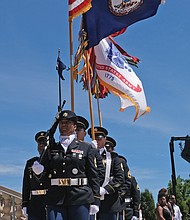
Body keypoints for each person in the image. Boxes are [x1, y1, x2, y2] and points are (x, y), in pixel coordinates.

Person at [32, 110, 100, 220]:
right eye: (61, 123)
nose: (64, 125)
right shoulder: (52, 148)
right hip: (55, 197)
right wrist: (38, 172)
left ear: (74, 126)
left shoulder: (86, 148)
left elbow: (93, 174)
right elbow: (43, 175)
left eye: (67, 122)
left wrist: (96, 199)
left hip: (80, 196)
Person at [88, 127, 124, 220]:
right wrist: (91, 152)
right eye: (94, 138)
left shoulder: (113, 158)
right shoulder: (87, 154)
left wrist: (105, 189)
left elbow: (120, 179)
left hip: (109, 202)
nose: (97, 141)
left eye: (99, 138)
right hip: (90, 199)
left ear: (105, 139)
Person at [106, 137, 140, 220]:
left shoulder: (119, 161)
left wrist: (120, 195)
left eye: (108, 148)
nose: (107, 150)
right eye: (105, 147)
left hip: (121, 203)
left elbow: (134, 191)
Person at [22, 131, 49, 220]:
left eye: (44, 143)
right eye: (39, 143)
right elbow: (26, 185)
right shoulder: (31, 162)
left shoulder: (53, 161)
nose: (41, 145)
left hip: (49, 200)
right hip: (34, 202)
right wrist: (25, 203)